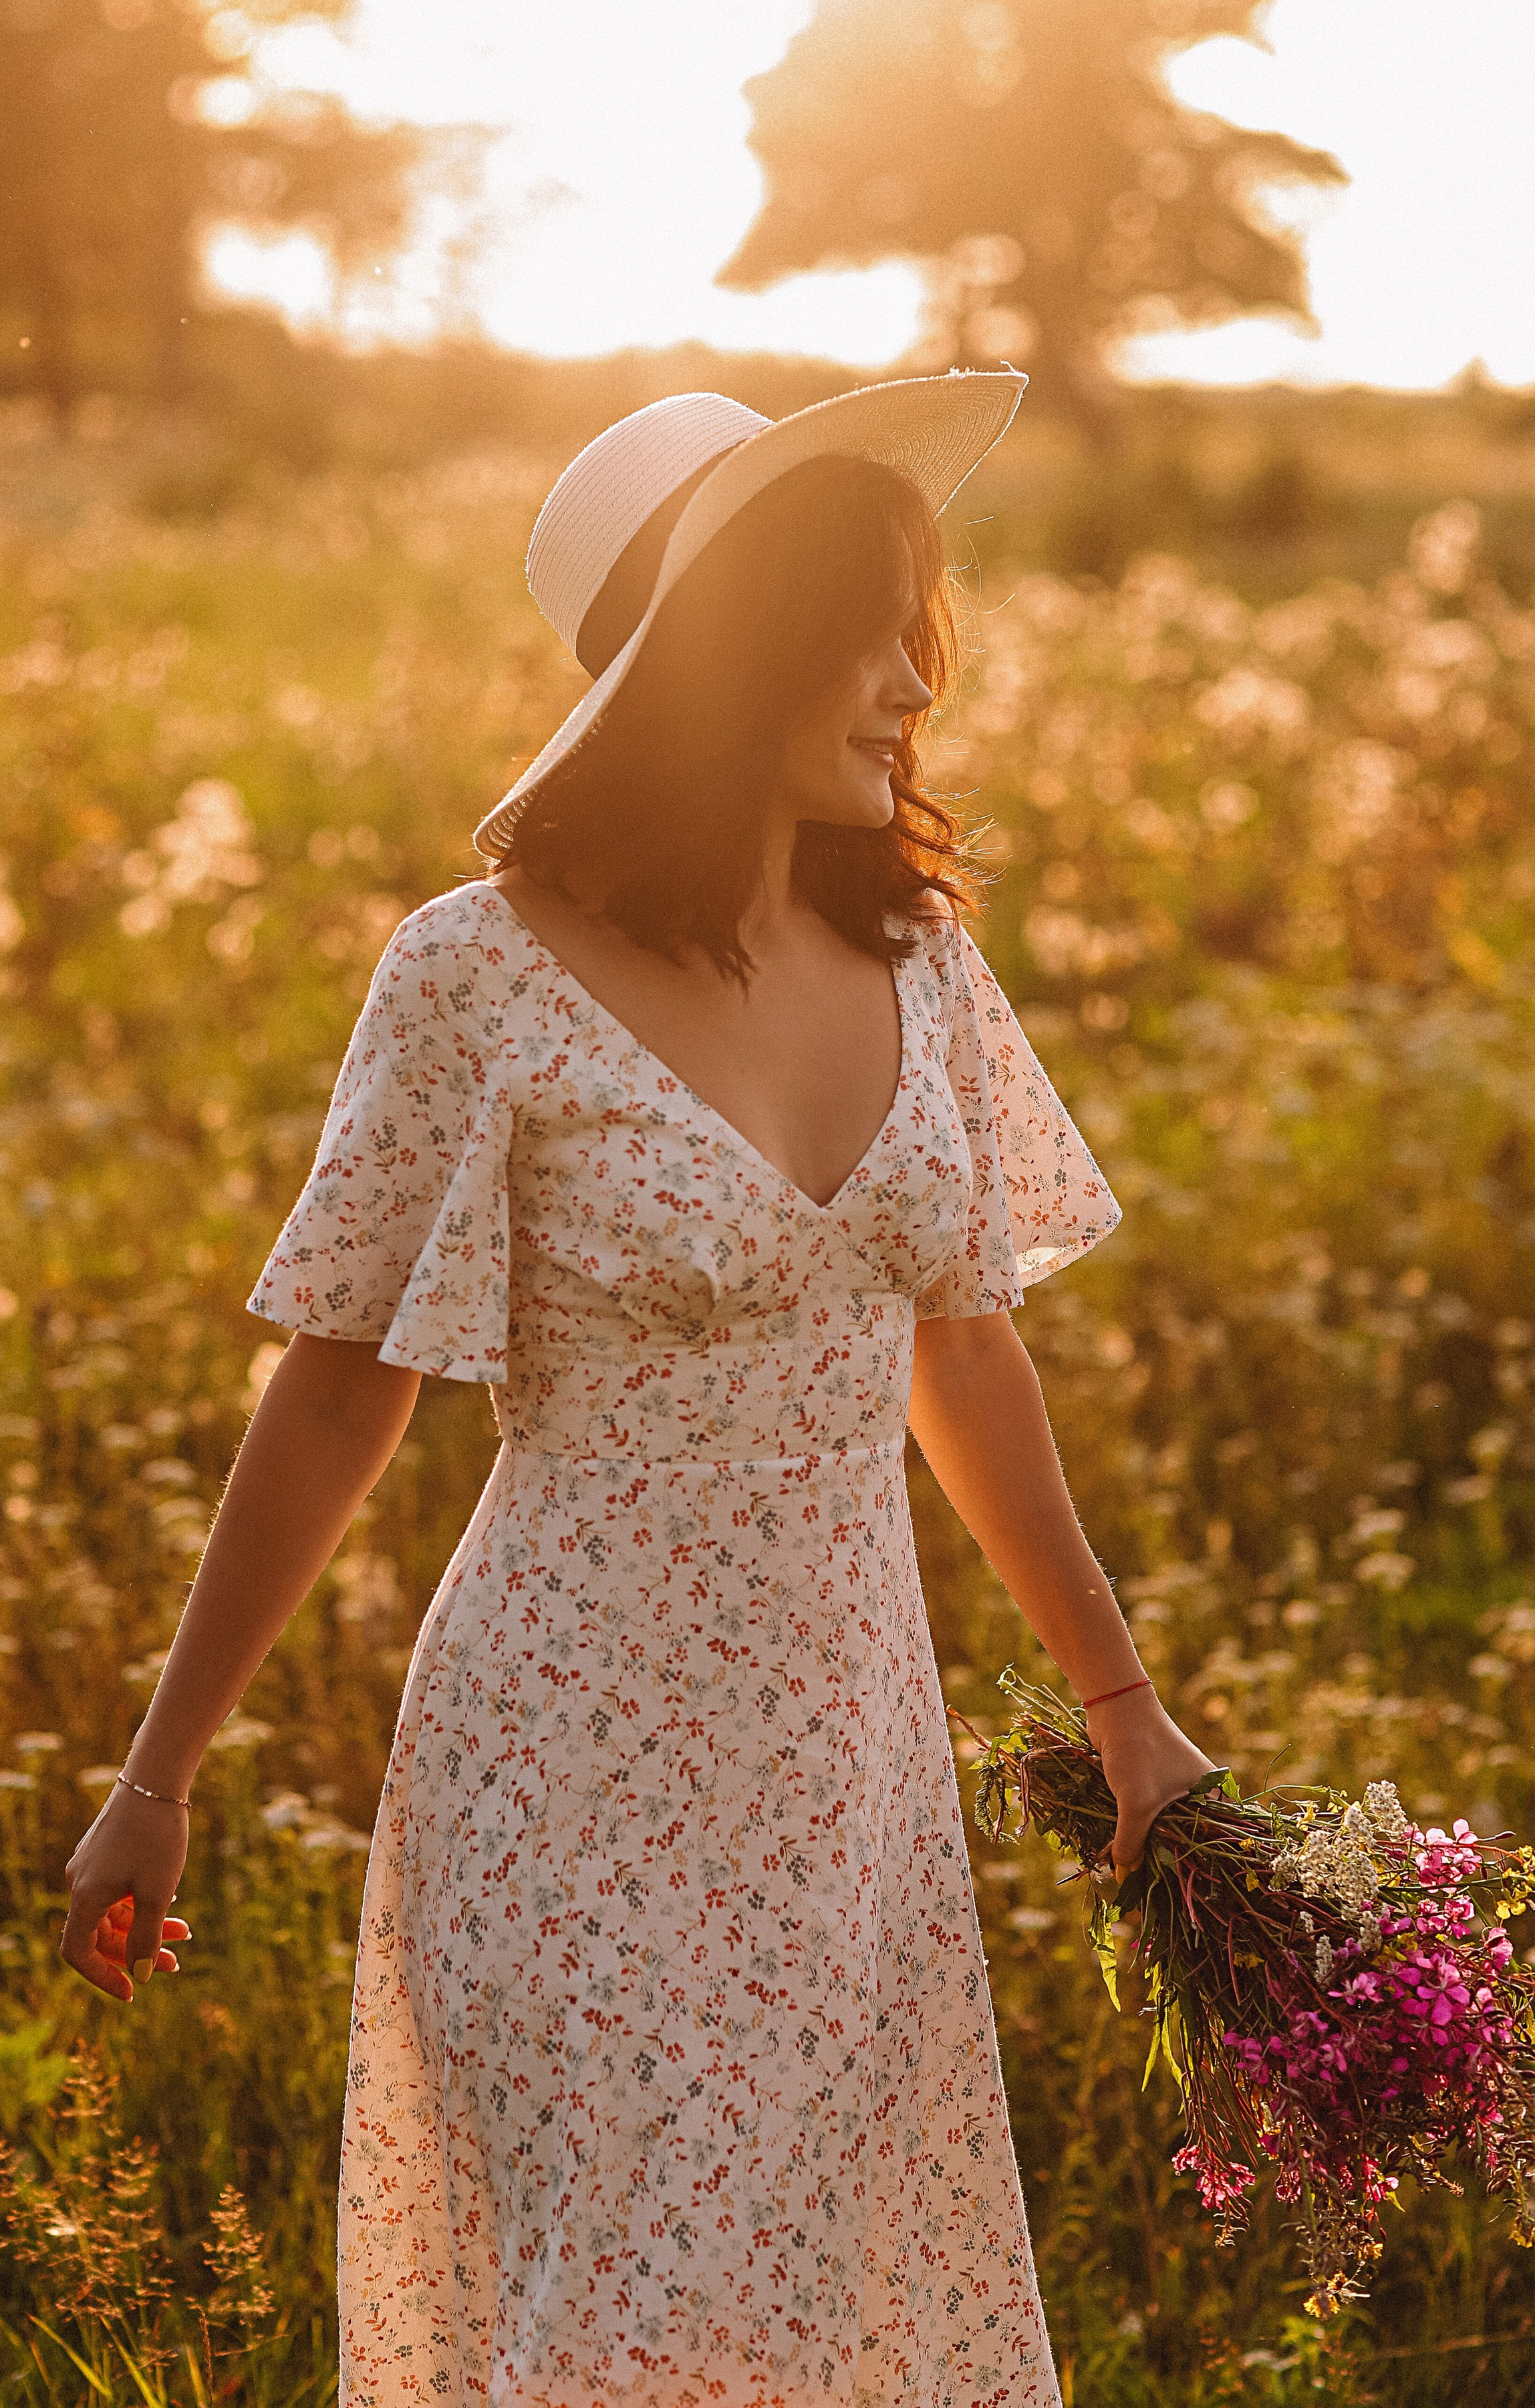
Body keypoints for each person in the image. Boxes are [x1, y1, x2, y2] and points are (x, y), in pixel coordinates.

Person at [63, 372, 1213, 2408]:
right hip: (562, 1775)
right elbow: (338, 1398)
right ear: (718, 656)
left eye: (914, 620)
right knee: (627, 2329)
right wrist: (159, 1774)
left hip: (842, 1782)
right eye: (855, 626)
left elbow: (965, 1350)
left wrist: (1131, 1721)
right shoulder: (470, 974)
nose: (907, 676)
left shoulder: (923, 955)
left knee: (824, 2323)